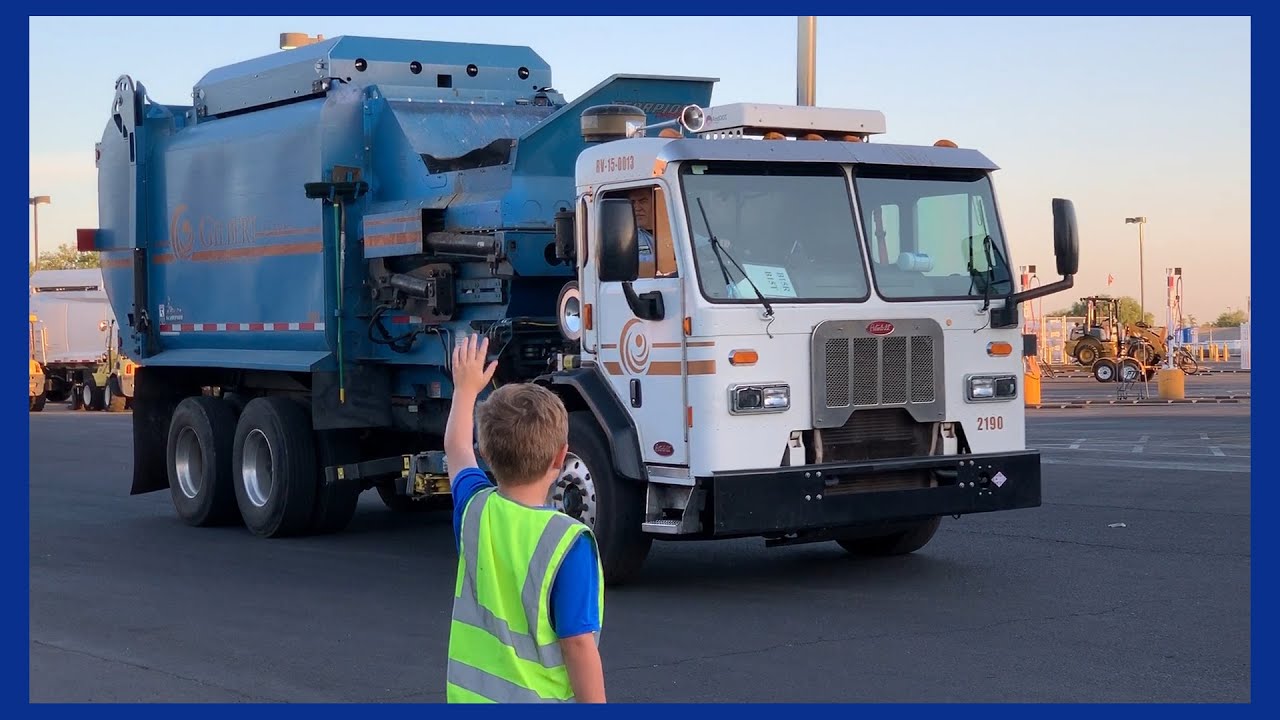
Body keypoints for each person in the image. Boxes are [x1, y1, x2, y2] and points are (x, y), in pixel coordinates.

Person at [443, 334, 606, 703]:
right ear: (560, 456)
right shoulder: (568, 543)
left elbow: (456, 449)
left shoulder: (474, 512)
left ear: (485, 451)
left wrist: (465, 389)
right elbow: (578, 645)